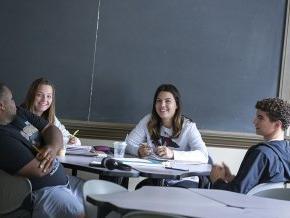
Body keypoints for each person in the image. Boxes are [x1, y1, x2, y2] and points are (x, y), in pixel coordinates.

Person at [0, 83, 84, 217]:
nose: (14, 102)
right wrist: (53, 149)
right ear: (1, 106)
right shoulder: (2, 138)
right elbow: (39, 170)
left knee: (104, 199)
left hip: (64, 182)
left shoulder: (18, 113)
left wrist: (51, 147)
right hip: (41, 192)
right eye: (11, 99)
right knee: (78, 213)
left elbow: (52, 129)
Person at [126, 84, 208, 188]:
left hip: (183, 181)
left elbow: (203, 155)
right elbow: (128, 144)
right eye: (158, 101)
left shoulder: (188, 126)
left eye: (168, 101)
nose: (162, 105)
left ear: (176, 105)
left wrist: (173, 154)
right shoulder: (148, 120)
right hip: (157, 178)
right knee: (140, 189)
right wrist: (138, 151)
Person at [210, 97, 290, 194]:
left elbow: (236, 194)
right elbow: (257, 187)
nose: (254, 121)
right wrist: (231, 178)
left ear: (277, 125)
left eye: (260, 118)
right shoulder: (287, 150)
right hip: (268, 206)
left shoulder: (261, 154)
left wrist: (217, 180)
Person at [22, 78, 81, 146]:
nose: (44, 99)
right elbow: (37, 142)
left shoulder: (51, 118)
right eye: (39, 95)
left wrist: (73, 140)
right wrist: (64, 141)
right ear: (31, 95)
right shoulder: (20, 116)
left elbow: (75, 141)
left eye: (49, 96)